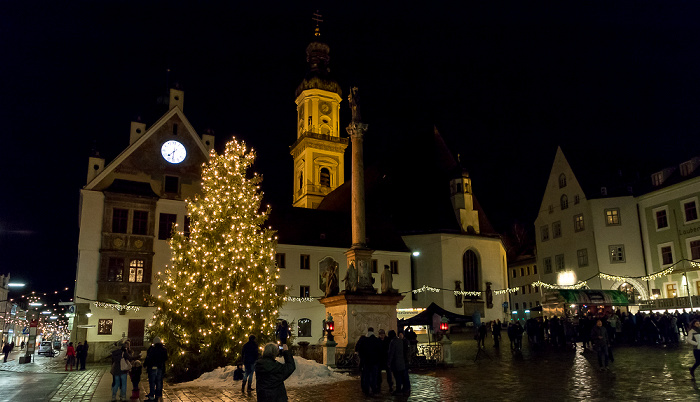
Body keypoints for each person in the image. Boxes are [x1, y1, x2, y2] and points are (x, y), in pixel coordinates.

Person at [355, 327, 382, 395]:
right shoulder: (376, 340)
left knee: (366, 376)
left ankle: (366, 389)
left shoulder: (364, 340)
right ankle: (374, 389)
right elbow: (380, 351)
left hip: (366, 361)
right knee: (374, 376)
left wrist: (362, 358)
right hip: (374, 361)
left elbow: (359, 349)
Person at [145, 337, 167, 401]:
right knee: (159, 381)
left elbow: (149, 357)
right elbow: (165, 358)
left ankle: (152, 395)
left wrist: (146, 364)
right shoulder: (163, 349)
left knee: (152, 382)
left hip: (152, 367)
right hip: (160, 367)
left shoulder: (152, 349)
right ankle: (158, 394)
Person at [388, 330, 409, 396]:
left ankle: (398, 390)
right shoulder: (400, 341)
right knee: (400, 376)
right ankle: (403, 389)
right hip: (401, 362)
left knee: (397, 377)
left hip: (395, 362)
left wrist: (389, 362)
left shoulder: (393, 342)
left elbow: (391, 353)